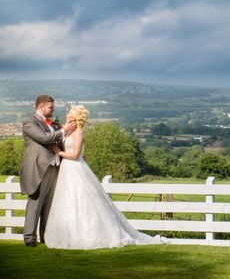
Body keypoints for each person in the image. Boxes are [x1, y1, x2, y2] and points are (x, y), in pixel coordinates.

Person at [44, 104, 166, 249]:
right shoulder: (70, 132)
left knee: (82, 201)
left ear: (75, 116)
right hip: (67, 169)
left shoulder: (78, 133)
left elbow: (76, 155)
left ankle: (88, 234)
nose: (67, 114)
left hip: (75, 168)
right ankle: (69, 233)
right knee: (68, 199)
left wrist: (58, 151)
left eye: (70, 113)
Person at [20, 94, 77, 247]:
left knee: (50, 204)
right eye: (51, 107)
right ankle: (29, 238)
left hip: (56, 167)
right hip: (39, 168)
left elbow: (60, 140)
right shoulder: (29, 122)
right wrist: (64, 130)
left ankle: (45, 237)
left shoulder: (54, 124)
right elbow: (44, 138)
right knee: (35, 203)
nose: (53, 109)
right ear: (41, 107)